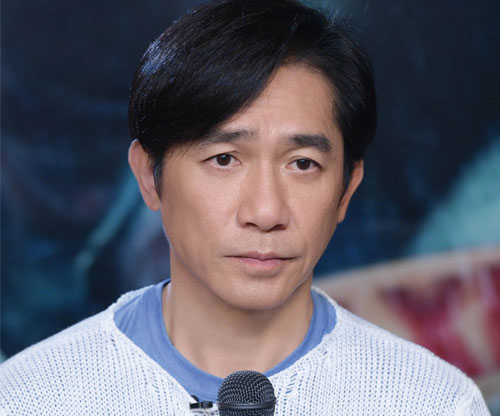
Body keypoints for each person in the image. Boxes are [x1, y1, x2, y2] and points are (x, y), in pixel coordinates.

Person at [0, 0, 490, 414]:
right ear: (150, 176)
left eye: (302, 164)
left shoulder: (432, 402)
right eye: (224, 159)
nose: (266, 211)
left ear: (346, 189)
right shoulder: (33, 398)